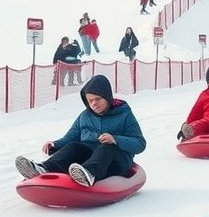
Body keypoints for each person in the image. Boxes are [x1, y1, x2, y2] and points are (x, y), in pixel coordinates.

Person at [14, 75, 145, 187]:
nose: (94, 104)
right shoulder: (85, 116)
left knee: (106, 147)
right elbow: (71, 137)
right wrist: (55, 144)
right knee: (74, 146)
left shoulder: (124, 114)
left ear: (107, 96)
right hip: (88, 159)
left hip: (114, 162)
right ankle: (43, 169)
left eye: (97, 99)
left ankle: (89, 174)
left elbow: (139, 143)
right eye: (90, 101)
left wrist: (116, 139)